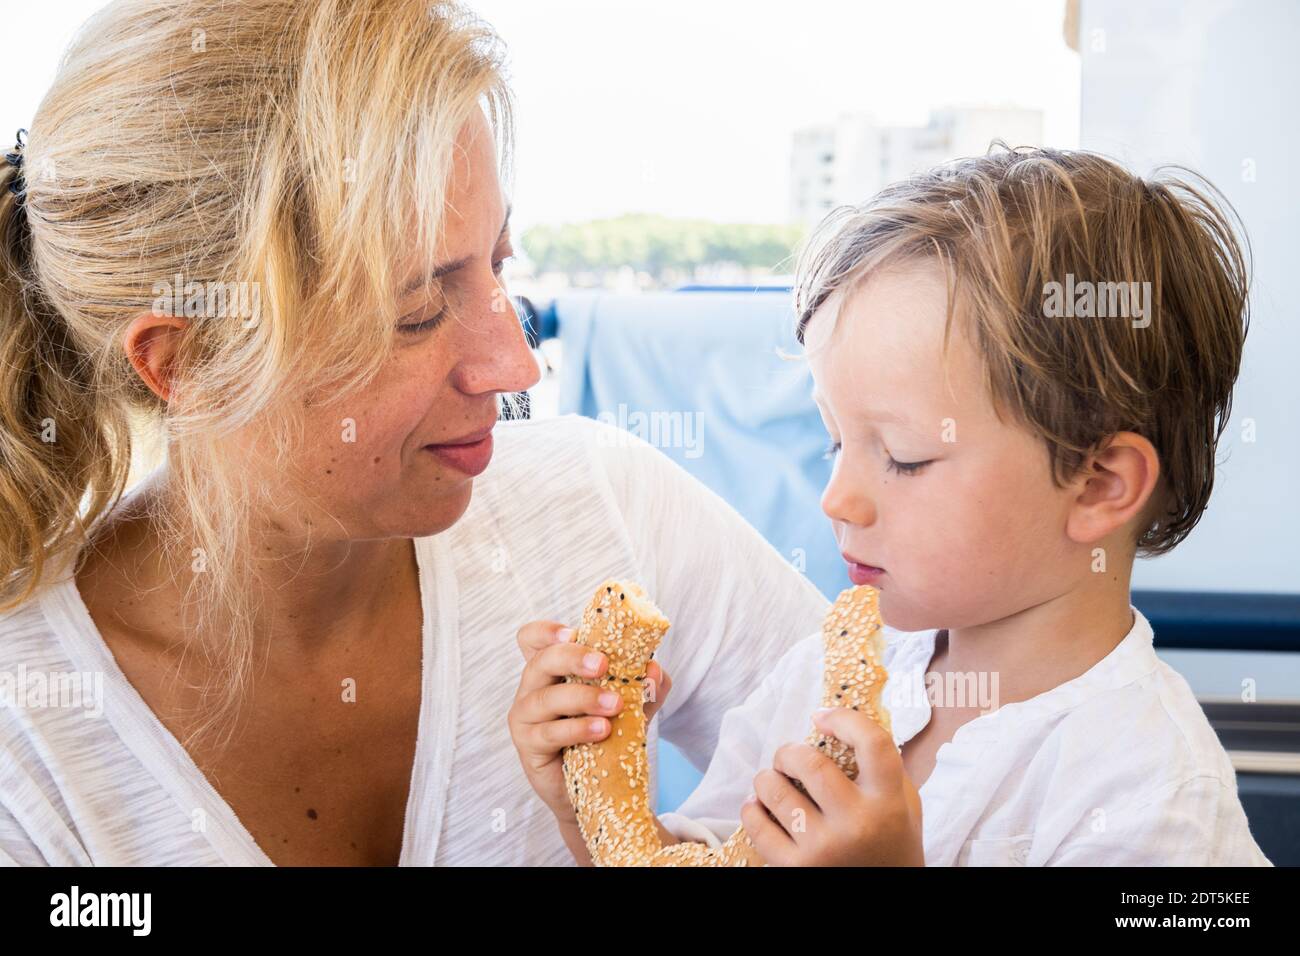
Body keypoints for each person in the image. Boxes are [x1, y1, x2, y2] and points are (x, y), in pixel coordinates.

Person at [0, 0, 826, 866]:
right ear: (188, 364)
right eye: (420, 312)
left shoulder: (604, 511)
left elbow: (933, 780)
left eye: (500, 265)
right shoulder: (29, 746)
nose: (516, 367)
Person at [518, 146, 1274, 866]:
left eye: (905, 457)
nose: (837, 497)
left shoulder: (1153, 795)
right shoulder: (819, 674)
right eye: (833, 441)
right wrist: (589, 807)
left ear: (1099, 484)